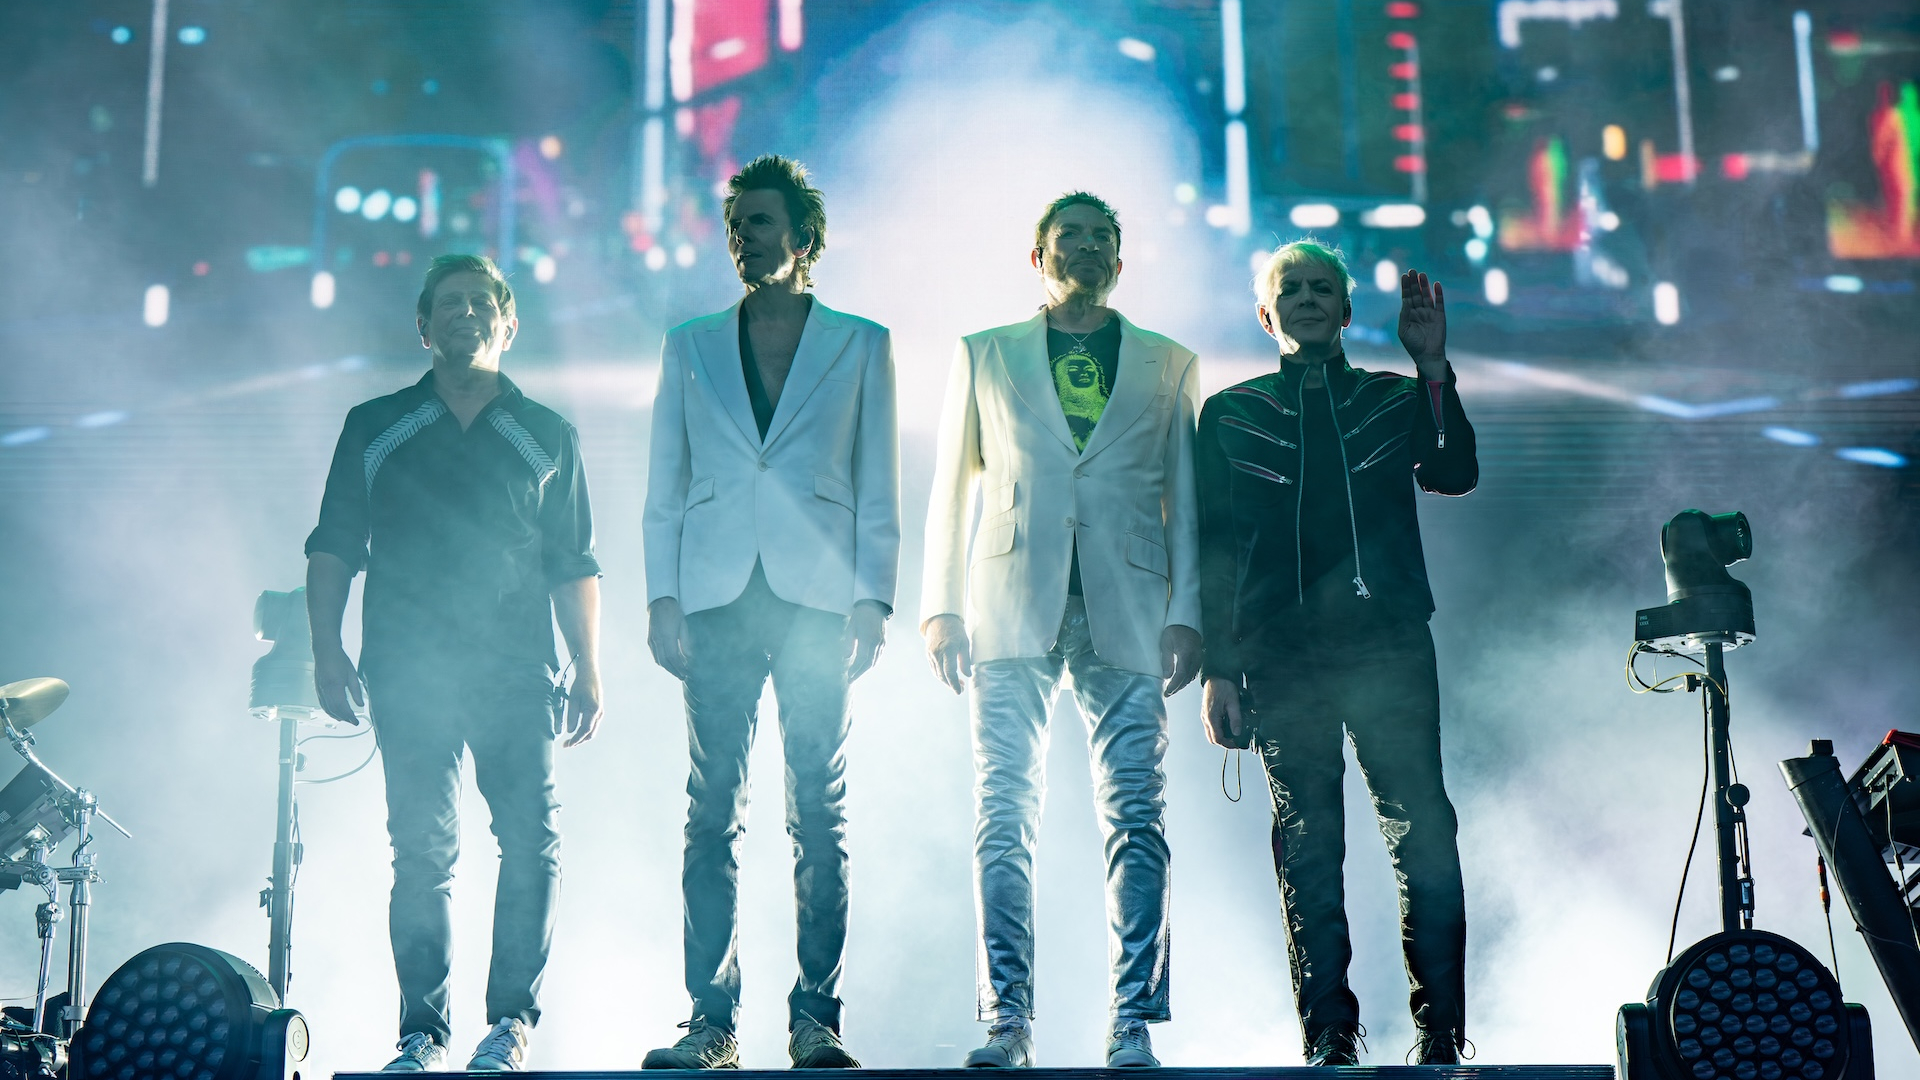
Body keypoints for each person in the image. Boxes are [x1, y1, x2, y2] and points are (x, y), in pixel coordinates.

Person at [922, 191, 1202, 1069]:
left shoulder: (1169, 362)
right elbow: (950, 489)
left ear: (1120, 259)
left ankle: (1133, 1021)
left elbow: (1185, 501)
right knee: (1003, 817)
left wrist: (1189, 609)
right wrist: (940, 604)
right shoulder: (985, 353)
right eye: (1067, 236)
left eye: (1101, 237)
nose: (1085, 248)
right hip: (1009, 601)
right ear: (1035, 256)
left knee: (1137, 816)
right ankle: (1008, 1020)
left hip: (1129, 601)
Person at [305, 253, 605, 1072]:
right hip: (409, 667)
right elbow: (335, 543)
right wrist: (326, 649)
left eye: (483, 303)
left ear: (510, 323)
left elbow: (572, 560)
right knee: (424, 852)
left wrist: (588, 667)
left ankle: (509, 1026)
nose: (467, 314)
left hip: (516, 667)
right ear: (424, 326)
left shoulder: (547, 432)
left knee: (531, 841)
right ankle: (421, 1035)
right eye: (451, 304)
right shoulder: (375, 425)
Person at [641, 155, 899, 1070]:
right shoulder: (691, 341)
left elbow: (877, 482)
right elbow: (665, 481)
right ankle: (710, 1021)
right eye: (736, 224)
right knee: (711, 812)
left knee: (818, 813)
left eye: (760, 223)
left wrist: (874, 595)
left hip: (819, 601)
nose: (745, 238)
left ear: (803, 237)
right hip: (713, 596)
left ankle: (814, 1015)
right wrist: (661, 594)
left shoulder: (861, 342)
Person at [1194, 241, 1477, 1066]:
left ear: (1349, 312)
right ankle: (1329, 1035)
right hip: (1281, 658)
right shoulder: (1231, 414)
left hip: (1388, 645)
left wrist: (1433, 368)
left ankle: (1440, 1033)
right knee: (1308, 841)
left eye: (1325, 288)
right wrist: (1219, 665)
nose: (1310, 299)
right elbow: (1214, 549)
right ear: (1266, 312)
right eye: (1294, 288)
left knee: (1423, 831)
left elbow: (1455, 472)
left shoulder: (1395, 402)